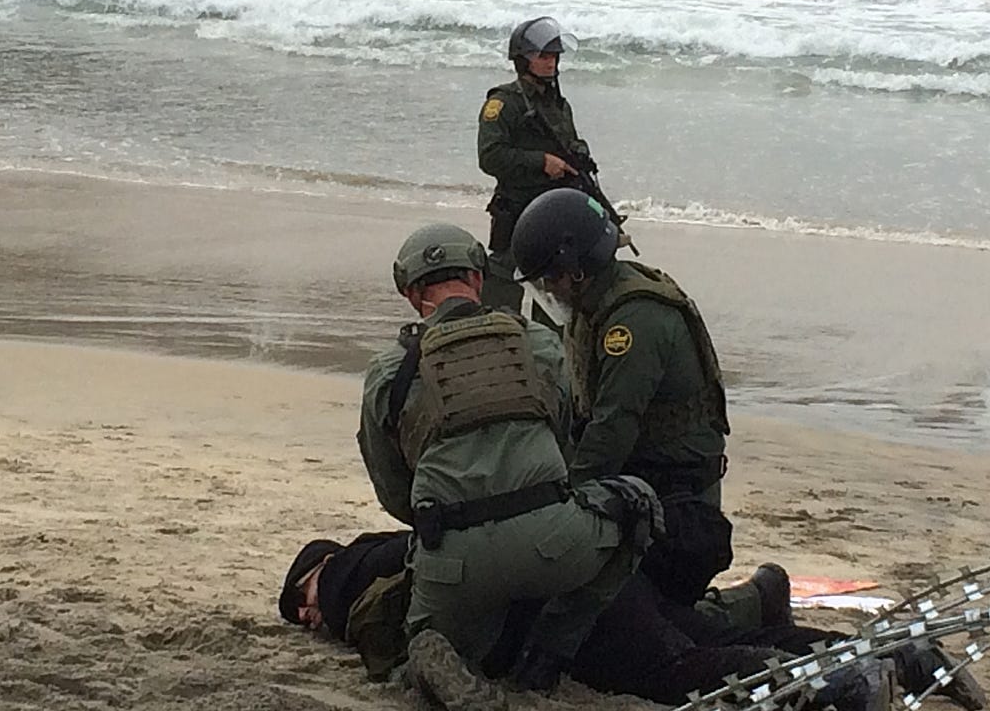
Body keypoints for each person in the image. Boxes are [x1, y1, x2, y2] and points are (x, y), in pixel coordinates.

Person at [356, 222, 657, 692]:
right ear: (478, 278)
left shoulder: (389, 370)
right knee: (639, 502)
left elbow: (394, 490)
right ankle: (548, 655)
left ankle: (431, 658)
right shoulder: (537, 341)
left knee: (431, 643)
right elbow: (563, 445)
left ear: (413, 293)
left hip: (452, 559)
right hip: (552, 540)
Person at [278, 530, 986, 711]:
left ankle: (842, 682)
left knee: (673, 672)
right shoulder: (393, 544)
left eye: (300, 603)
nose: (309, 619)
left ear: (318, 573)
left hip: (561, 618)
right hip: (588, 563)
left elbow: (413, 657)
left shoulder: (350, 589)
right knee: (706, 633)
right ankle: (897, 653)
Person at [510, 187, 735, 614]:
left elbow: (614, 426)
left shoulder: (633, 321)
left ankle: (755, 600)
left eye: (549, 279)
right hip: (643, 471)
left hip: (676, 491)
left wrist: (565, 506)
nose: (548, 291)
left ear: (575, 269)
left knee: (631, 615)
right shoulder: (598, 304)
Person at [476, 16, 592, 316]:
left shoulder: (558, 105)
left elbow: (570, 145)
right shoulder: (504, 104)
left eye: (554, 56)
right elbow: (490, 156)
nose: (551, 62)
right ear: (523, 60)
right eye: (543, 56)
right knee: (501, 300)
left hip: (553, 214)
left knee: (555, 305)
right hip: (516, 210)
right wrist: (541, 162)